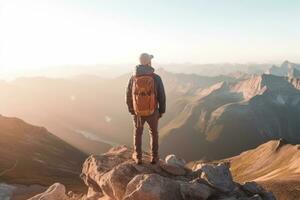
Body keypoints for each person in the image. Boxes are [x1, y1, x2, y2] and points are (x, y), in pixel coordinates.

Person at [126, 53, 166, 165]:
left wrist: (131, 109)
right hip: (153, 110)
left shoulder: (133, 77)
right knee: (154, 133)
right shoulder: (156, 77)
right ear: (149, 62)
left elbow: (128, 94)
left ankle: (138, 157)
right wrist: (161, 110)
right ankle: (154, 157)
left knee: (138, 133)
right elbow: (162, 96)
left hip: (137, 112)